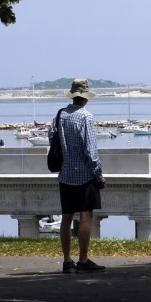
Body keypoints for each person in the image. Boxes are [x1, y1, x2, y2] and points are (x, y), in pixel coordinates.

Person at [50, 78, 106, 273]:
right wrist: (99, 175)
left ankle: (67, 260)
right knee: (85, 216)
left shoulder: (60, 115)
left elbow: (52, 138)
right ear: (86, 97)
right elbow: (91, 151)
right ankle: (83, 259)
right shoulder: (85, 117)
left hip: (65, 173)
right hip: (84, 175)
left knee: (66, 217)